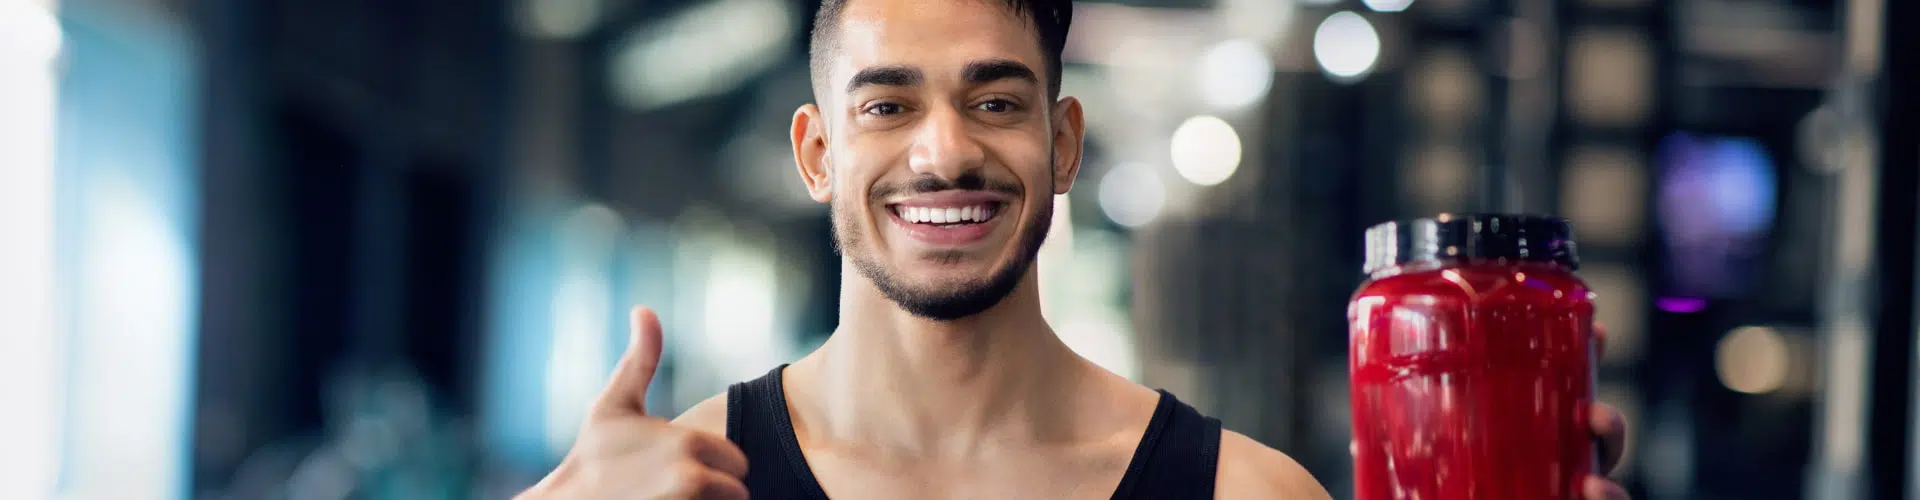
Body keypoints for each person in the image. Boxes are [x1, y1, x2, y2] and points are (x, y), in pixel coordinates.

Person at [518, 0, 1634, 498]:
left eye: (995, 101)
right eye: (887, 106)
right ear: (816, 153)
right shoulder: (687, 484)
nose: (944, 151)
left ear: (1061, 143)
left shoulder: (1244, 494)